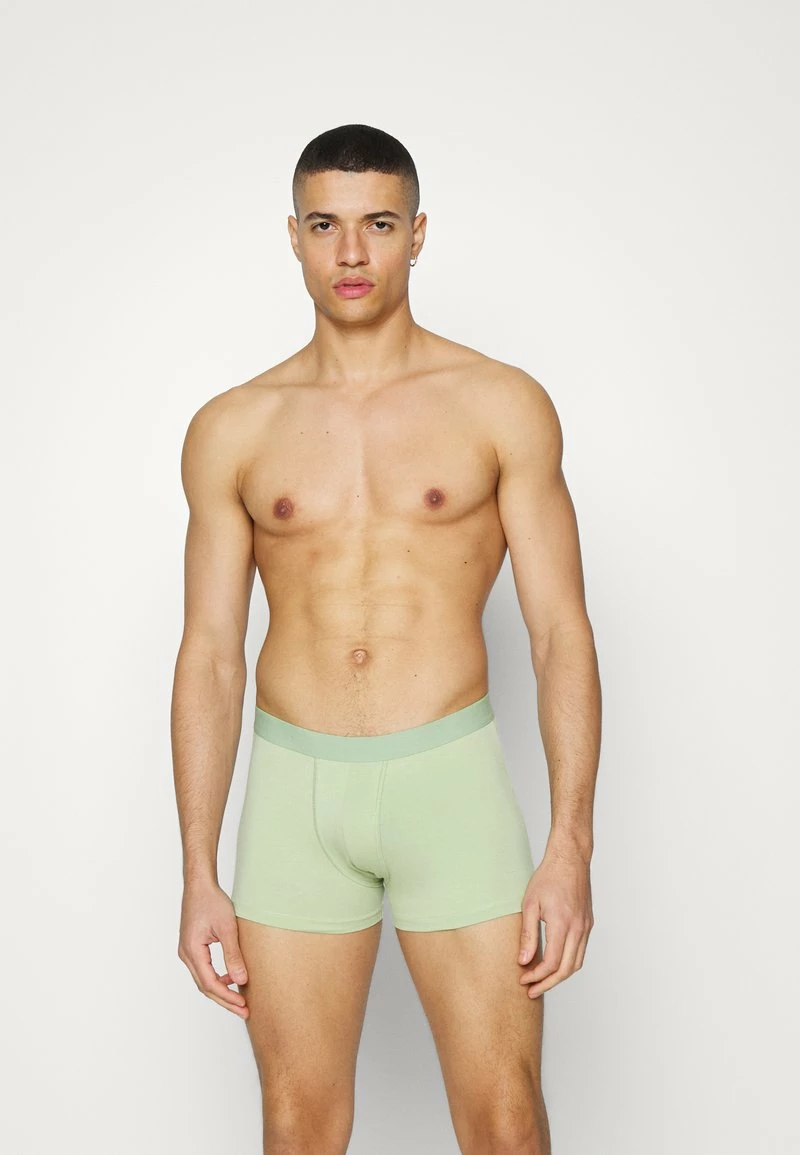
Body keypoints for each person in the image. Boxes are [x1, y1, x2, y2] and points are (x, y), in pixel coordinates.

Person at [172, 123, 601, 1155]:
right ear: (293, 236)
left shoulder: (499, 404)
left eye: (377, 224)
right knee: (298, 1127)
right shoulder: (234, 425)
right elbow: (211, 655)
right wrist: (197, 869)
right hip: (295, 794)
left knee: (504, 1119)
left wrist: (570, 846)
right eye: (325, 226)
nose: (352, 253)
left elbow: (558, 632)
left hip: (447, 782)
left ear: (417, 233)